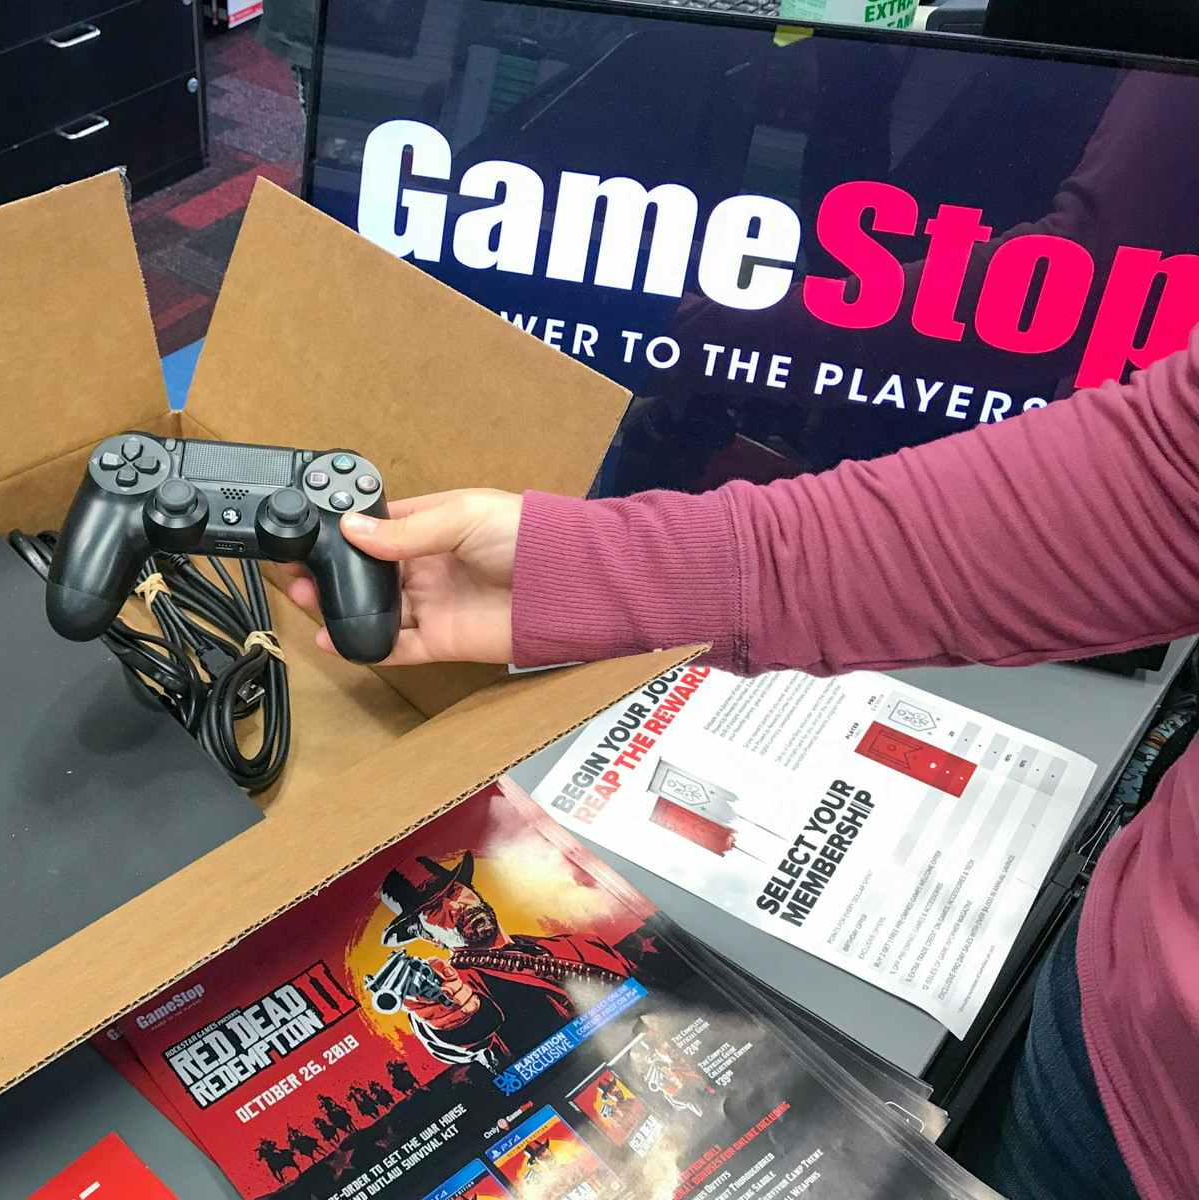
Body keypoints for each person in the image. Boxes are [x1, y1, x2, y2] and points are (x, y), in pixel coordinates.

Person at [278, 330, 1199, 1200]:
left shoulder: (504, 958)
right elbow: (1158, 481)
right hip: (1117, 1055)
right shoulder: (468, 984)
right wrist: (587, 571)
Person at [377, 853, 638, 1070]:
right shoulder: (457, 983)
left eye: (455, 890)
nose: (456, 906)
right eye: (434, 910)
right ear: (430, 938)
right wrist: (449, 1016)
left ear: (474, 892)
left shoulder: (580, 944)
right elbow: (462, 1028)